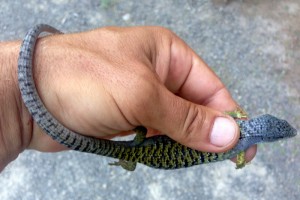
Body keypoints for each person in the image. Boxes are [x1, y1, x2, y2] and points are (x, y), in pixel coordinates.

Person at [0, 26, 256, 172]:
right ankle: (126, 160)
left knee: (140, 133)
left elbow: (236, 132)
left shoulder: (239, 124)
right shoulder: (240, 146)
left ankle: (129, 154)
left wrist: (17, 102)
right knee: (133, 153)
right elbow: (241, 159)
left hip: (147, 144)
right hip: (144, 154)